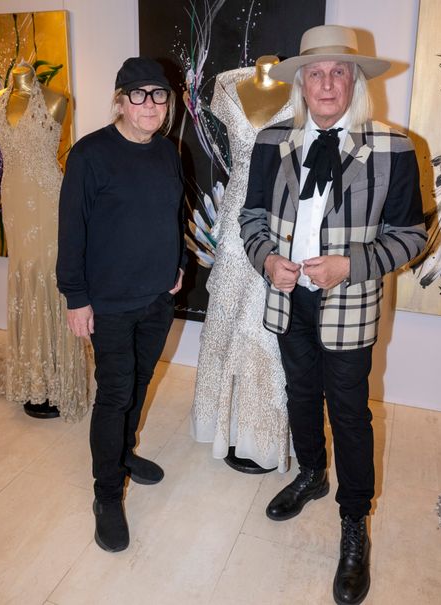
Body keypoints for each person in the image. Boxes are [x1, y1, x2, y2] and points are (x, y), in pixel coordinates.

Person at [239, 25, 427, 605]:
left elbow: (412, 235)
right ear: (301, 84)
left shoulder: (394, 147)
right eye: (315, 73)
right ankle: (312, 474)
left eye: (337, 72)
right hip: (287, 298)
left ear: (355, 82)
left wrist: (351, 265)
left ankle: (353, 521)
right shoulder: (272, 141)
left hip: (350, 304)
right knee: (300, 394)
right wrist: (267, 260)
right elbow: (250, 218)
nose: (326, 83)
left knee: (348, 412)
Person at [56, 57, 185, 553]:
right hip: (108, 302)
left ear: (168, 103)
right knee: (114, 394)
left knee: (139, 383)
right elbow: (72, 232)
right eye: (138, 94)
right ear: (120, 101)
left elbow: (172, 214)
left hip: (157, 298)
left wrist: (177, 265)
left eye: (158, 94)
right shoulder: (90, 155)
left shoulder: (168, 152)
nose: (150, 104)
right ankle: (107, 495)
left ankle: (124, 454)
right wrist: (76, 298)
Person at [191, 57, 292, 473]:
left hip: (281, 220)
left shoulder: (301, 91)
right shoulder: (227, 90)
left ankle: (262, 436)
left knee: (265, 329)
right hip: (236, 221)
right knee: (227, 322)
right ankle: (226, 426)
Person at [0, 63, 89, 421]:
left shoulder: (56, 99)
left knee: (50, 280)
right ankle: (33, 376)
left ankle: (58, 380)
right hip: (15, 202)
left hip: (48, 203)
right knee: (24, 279)